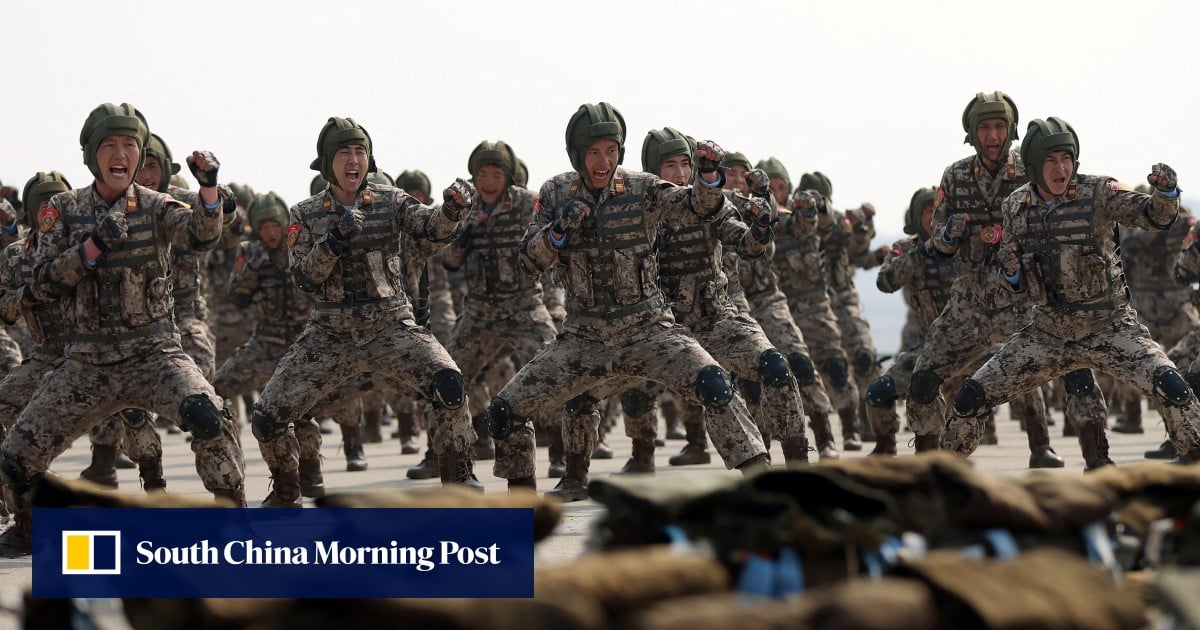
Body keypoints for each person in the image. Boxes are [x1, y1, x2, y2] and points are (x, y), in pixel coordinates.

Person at [486, 102, 769, 502]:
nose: (605, 162)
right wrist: (559, 230)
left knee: (715, 385)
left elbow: (695, 206)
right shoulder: (554, 192)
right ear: (577, 154)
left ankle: (764, 488)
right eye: (594, 152)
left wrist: (708, 175)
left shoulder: (642, 188)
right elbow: (529, 260)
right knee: (506, 410)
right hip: (582, 338)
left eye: (612, 151)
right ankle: (522, 508)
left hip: (649, 330)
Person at [0, 103, 245, 556]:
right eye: (110, 144)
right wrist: (90, 249)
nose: (121, 153)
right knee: (15, 456)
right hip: (85, 364)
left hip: (154, 354)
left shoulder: (155, 206)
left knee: (210, 417)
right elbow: (43, 281)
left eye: (130, 144)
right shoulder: (64, 210)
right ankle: (28, 525)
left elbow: (199, 235)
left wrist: (208, 191)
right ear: (92, 154)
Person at [248, 117, 479, 507]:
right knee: (268, 415)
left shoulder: (390, 200)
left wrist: (453, 210)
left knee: (450, 385)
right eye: (344, 153)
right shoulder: (304, 213)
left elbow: (430, 229)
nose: (353, 160)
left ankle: (457, 477)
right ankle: (287, 489)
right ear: (327, 162)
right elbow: (304, 276)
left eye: (360, 152)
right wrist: (334, 239)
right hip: (329, 332)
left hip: (391, 324)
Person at [944, 116, 1200, 466]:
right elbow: (1014, 282)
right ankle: (942, 474)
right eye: (1050, 160)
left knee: (1174, 388)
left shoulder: (1100, 192)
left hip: (1109, 327)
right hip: (1048, 333)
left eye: (1065, 158)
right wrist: (1012, 273)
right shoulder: (1016, 207)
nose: (1060, 167)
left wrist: (1167, 192)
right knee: (969, 398)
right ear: (1034, 165)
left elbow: (1153, 216)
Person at [908, 91, 1108, 468]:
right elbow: (937, 241)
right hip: (969, 299)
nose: (993, 135)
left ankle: (1084, 454)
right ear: (972, 132)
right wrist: (948, 234)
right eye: (985, 127)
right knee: (925, 375)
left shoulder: (1033, 169)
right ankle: (927, 462)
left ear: (1012, 130)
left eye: (1000, 126)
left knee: (1073, 366)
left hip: (1022, 295)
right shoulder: (955, 176)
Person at [441, 141, 557, 489]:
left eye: (496, 174)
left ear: (507, 176)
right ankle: (458, 472)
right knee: (446, 386)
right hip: (478, 312)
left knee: (558, 369)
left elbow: (547, 248)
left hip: (523, 305)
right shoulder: (465, 207)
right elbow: (449, 260)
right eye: (482, 175)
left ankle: (560, 459)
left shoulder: (527, 203)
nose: (489, 182)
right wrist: (466, 227)